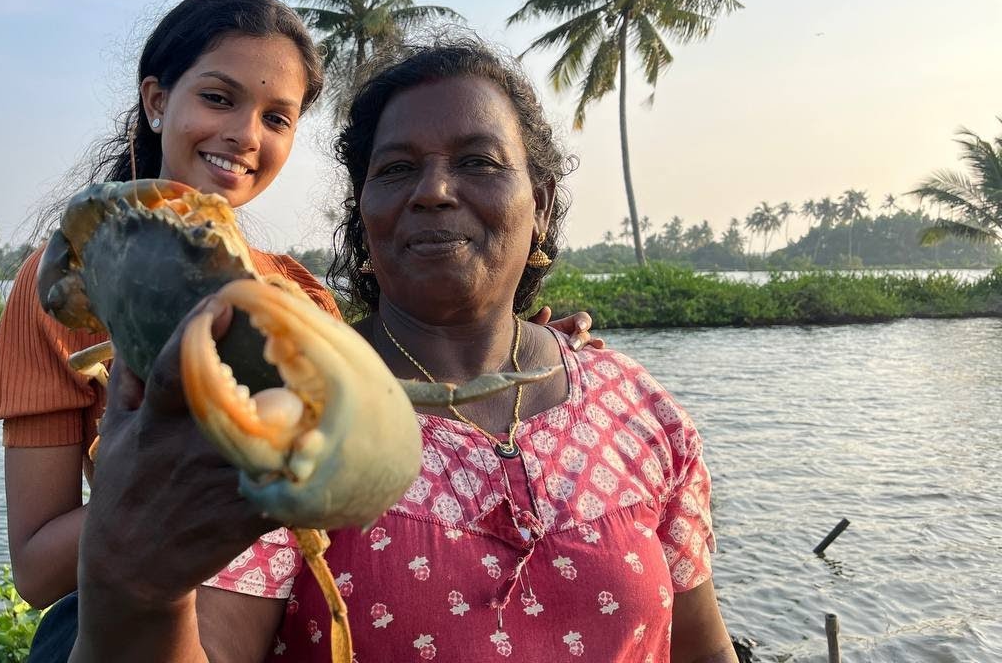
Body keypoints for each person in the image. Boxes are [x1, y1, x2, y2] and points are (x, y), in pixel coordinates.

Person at [67, 39, 736, 662]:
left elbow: (703, 651)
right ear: (364, 214)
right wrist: (132, 589)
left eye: (478, 161)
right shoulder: (280, 413)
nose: (435, 191)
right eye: (397, 169)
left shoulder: (641, 409)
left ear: (543, 201)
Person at [0, 0, 341, 617]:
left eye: (277, 118)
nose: (244, 135)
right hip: (134, 626)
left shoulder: (302, 298)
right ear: (156, 101)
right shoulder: (70, 287)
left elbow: (372, 455)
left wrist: (544, 359)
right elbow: (37, 573)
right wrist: (187, 468)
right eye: (218, 97)